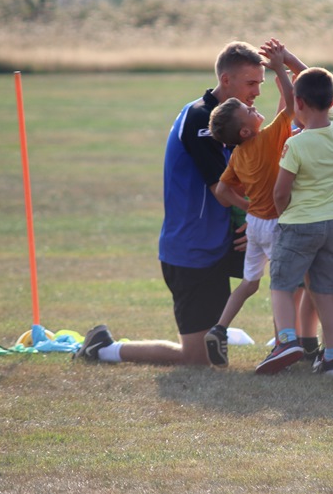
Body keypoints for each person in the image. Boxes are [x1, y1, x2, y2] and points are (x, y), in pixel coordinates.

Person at [74, 41, 265, 365]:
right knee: (197, 360)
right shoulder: (201, 120)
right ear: (226, 80)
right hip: (191, 251)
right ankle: (103, 348)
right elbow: (223, 187)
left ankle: (298, 345)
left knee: (292, 260)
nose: (258, 92)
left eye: (261, 83)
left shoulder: (238, 121)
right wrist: (263, 216)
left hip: (218, 242)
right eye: (251, 83)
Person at [201, 39, 302, 367]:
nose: (255, 107)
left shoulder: (239, 154)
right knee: (286, 282)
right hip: (273, 224)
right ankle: (285, 341)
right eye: (250, 110)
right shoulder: (266, 140)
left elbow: (221, 192)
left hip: (257, 224)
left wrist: (247, 206)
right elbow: (290, 104)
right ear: (246, 130)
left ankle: (219, 327)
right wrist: (280, 70)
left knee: (250, 283)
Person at [256, 66, 333, 375]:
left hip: (299, 223)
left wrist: (283, 212)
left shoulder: (295, 145)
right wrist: (290, 61)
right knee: (325, 291)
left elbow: (281, 191)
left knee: (282, 284)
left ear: (300, 103)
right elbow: (325, 94)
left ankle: (286, 341)